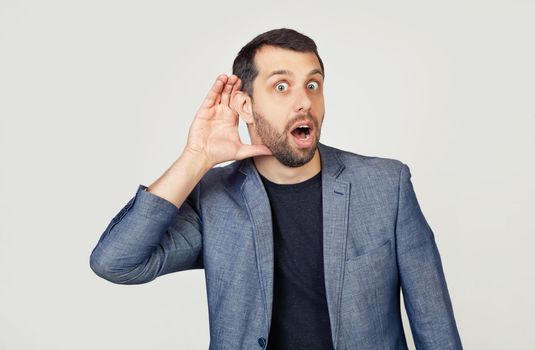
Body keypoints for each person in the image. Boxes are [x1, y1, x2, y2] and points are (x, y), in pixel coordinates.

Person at [89, 28, 462, 350]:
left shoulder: (386, 185)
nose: (304, 101)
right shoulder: (214, 199)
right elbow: (116, 263)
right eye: (281, 86)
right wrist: (197, 157)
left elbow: (435, 326)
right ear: (245, 107)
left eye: (312, 85)